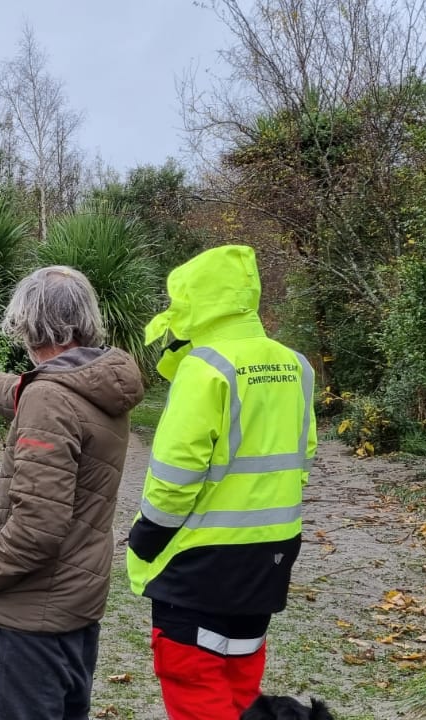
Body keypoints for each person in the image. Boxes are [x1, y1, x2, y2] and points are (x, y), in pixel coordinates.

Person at [0, 266, 143, 720]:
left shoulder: (52, 397)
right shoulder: (95, 384)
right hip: (76, 598)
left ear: (32, 322)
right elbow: (21, 390)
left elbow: (39, 524)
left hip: (33, 608)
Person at [125, 245, 316, 720]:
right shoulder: (297, 365)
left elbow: (174, 476)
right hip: (269, 559)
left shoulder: (205, 368)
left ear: (193, 304)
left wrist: (147, 536)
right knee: (242, 692)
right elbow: (303, 455)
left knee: (195, 688)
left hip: (197, 565)